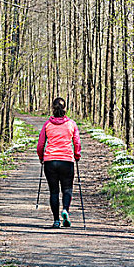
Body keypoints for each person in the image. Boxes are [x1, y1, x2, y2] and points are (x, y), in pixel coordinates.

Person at [37, 97, 81, 228]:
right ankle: (65, 210)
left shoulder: (47, 124)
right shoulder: (71, 124)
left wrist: (41, 157)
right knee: (67, 189)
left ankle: (56, 220)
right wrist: (77, 155)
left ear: (53, 108)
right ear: (65, 108)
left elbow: (40, 145)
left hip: (50, 161)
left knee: (54, 191)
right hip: (66, 160)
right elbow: (77, 142)